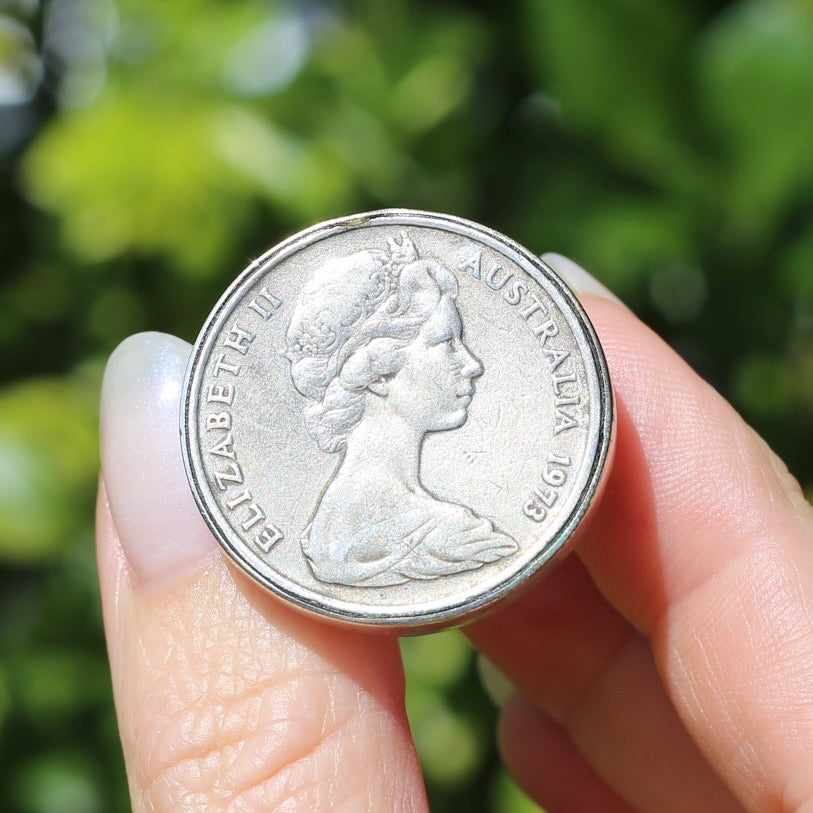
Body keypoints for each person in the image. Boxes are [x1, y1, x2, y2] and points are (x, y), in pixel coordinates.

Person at [98, 253, 813, 812]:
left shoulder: (435, 528)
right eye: (444, 341)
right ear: (374, 369)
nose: (471, 363)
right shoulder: (414, 535)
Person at [284, 232, 517, 587]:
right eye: (445, 342)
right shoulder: (453, 535)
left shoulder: (321, 533)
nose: (472, 365)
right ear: (380, 373)